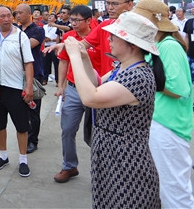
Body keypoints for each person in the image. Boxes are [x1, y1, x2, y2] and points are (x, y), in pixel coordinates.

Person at [64, 11, 164, 209]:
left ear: (132, 44)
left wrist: (73, 56)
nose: (108, 39)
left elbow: (90, 97)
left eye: (114, 36)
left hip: (126, 160)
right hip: (110, 154)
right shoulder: (122, 67)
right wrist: (84, 57)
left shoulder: (138, 77)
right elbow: (97, 85)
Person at [133, 0, 194, 208]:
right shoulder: (156, 45)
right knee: (161, 189)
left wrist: (140, 80)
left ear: (153, 21)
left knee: (174, 193)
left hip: (168, 126)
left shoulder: (169, 46)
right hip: (158, 123)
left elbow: (178, 89)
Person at [47, 5, 98, 183]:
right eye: (72, 20)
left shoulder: (99, 37)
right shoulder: (68, 37)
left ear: (89, 21)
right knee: (67, 129)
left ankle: (99, 171)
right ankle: (69, 166)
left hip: (96, 91)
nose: (73, 23)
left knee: (96, 134)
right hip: (74, 90)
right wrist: (61, 86)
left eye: (77, 20)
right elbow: (63, 63)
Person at [0, 6, 34, 178]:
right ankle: (3, 156)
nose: (6, 19)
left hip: (15, 88)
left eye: (9, 15)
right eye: (2, 16)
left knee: (21, 126)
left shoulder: (21, 36)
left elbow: (28, 63)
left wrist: (28, 86)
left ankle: (23, 160)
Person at [15, 3, 45, 153]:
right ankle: (25, 136)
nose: (18, 15)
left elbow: (25, 46)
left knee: (33, 109)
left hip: (34, 74)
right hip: (17, 74)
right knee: (21, 110)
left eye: (20, 13)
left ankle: (33, 140)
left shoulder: (38, 30)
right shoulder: (16, 29)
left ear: (29, 14)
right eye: (16, 13)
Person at [43, 13, 61, 83]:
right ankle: (45, 79)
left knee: (56, 64)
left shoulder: (56, 27)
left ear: (55, 19)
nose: (50, 17)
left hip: (53, 46)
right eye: (49, 16)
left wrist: (51, 40)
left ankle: (57, 80)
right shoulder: (44, 26)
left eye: (52, 16)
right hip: (46, 46)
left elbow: (58, 37)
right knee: (45, 64)